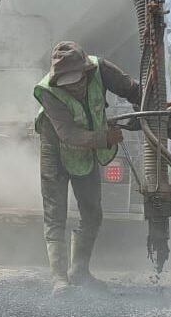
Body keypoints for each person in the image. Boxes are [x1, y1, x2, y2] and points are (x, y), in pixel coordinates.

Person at [33, 41, 141, 294]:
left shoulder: (101, 69)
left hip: (87, 149)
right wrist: (104, 138)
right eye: (67, 83)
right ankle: (59, 280)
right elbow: (68, 133)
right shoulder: (47, 91)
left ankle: (79, 272)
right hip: (55, 148)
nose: (74, 87)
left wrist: (155, 103)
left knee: (92, 212)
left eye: (78, 81)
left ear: (86, 71)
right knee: (55, 213)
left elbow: (132, 90)